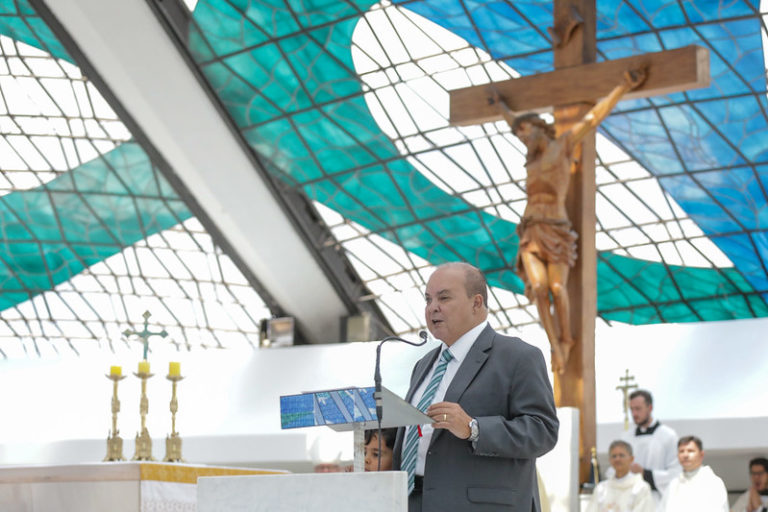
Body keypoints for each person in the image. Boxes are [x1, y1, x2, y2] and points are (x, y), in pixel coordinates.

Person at [493, 68, 646, 373]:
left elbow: (592, 120)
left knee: (558, 288)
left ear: (539, 128)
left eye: (526, 132)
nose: (522, 137)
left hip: (557, 230)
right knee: (538, 288)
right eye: (520, 135)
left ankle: (566, 338)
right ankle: (554, 344)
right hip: (532, 230)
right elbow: (513, 122)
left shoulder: (561, 146)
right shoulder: (533, 157)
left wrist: (622, 87)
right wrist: (501, 108)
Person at [392, 262, 559, 512]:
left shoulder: (518, 356)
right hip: (413, 502)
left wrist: (473, 428)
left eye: (444, 297)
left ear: (476, 303)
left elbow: (543, 431)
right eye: (428, 300)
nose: (432, 307)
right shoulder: (424, 364)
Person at [616, 389, 680, 507]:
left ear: (650, 408)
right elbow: (613, 469)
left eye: (638, 409)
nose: (634, 414)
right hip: (629, 501)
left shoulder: (668, 436)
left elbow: (676, 473)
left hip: (656, 501)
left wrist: (645, 474)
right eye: (632, 409)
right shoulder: (626, 437)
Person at [660, 436, 728, 512]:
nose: (685, 455)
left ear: (701, 455)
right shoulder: (673, 485)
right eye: (681, 451)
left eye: (690, 451)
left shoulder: (713, 482)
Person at [586, 440, 654, 512]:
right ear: (610, 460)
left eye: (621, 455)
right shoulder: (601, 489)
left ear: (631, 459)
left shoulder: (641, 488)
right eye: (614, 456)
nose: (617, 459)